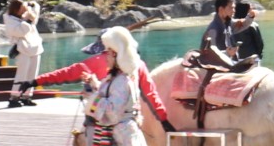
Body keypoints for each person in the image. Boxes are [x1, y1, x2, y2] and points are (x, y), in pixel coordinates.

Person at [81, 27, 162, 146]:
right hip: (118, 135)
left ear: (117, 54)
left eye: (108, 52)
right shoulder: (117, 78)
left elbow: (112, 112)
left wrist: (94, 95)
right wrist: (95, 86)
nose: (105, 56)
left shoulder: (121, 81)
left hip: (120, 136)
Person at [36, 38, 172, 128]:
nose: (104, 57)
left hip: (101, 122)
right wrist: (164, 119)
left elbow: (66, 73)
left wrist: (36, 81)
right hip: (129, 124)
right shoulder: (139, 65)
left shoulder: (95, 62)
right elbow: (150, 93)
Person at [1, 0, 42, 108]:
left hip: (34, 47)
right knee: (22, 74)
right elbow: (20, 32)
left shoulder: (26, 16)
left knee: (33, 74)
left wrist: (33, 6)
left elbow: (35, 18)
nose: (25, 11)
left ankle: (27, 96)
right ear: (16, 9)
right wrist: (27, 20)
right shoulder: (10, 19)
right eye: (22, 9)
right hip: (22, 49)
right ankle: (14, 97)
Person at [196, 0, 237, 67]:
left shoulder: (227, 23)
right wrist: (227, 53)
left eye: (234, 8)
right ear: (221, 9)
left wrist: (250, 17)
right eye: (231, 8)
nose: (234, 10)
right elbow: (210, 53)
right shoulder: (213, 29)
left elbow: (242, 24)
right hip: (214, 66)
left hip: (226, 62)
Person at [228, 0, 265, 69]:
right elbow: (259, 43)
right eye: (250, 9)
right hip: (252, 59)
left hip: (235, 60)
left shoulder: (231, 25)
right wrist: (259, 55)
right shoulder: (252, 25)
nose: (252, 11)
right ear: (246, 11)